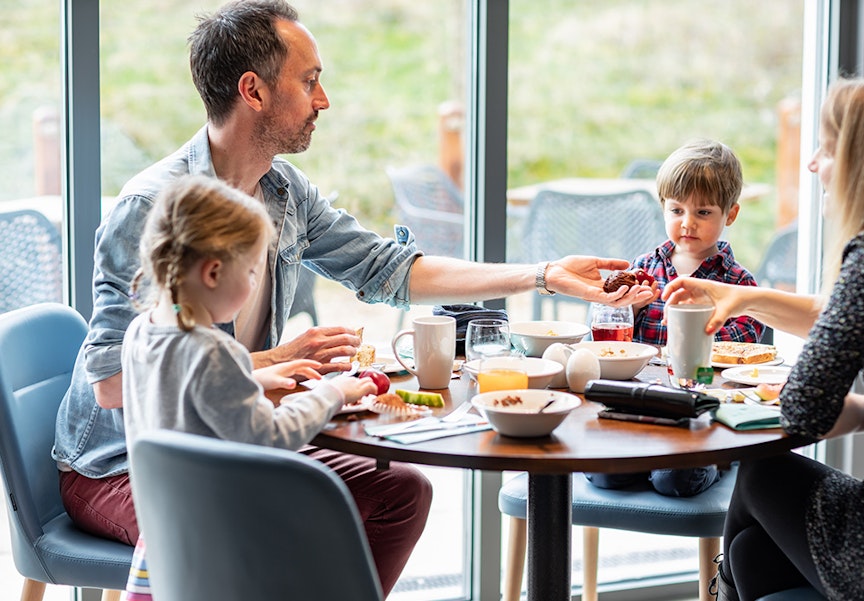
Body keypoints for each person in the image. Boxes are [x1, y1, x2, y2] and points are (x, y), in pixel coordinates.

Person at [50, 0, 654, 594]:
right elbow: (112, 384)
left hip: (230, 439)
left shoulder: (283, 191)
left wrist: (544, 274)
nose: (324, 100)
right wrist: (271, 362)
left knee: (400, 492)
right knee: (295, 528)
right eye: (309, 80)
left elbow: (385, 267)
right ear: (253, 90)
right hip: (120, 468)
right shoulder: (156, 209)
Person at [664, 72, 864, 600]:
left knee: (761, 472)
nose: (813, 162)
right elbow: (845, 317)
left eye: (829, 147)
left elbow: (802, 412)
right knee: (752, 553)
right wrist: (746, 298)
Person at [122, 174, 377, 599]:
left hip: (169, 542)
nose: (256, 283)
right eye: (254, 271)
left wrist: (250, 380)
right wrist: (333, 394)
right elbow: (269, 437)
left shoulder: (142, 331)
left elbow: (173, 393)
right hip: (228, 549)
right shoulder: (215, 352)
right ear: (214, 271)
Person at [586, 138, 765, 498]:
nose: (687, 223)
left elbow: (741, 351)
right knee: (605, 476)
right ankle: (644, 461)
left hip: (697, 417)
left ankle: (712, 462)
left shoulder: (738, 284)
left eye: (703, 213)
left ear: (729, 214)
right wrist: (628, 307)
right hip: (638, 408)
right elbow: (604, 339)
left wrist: (700, 322)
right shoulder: (643, 269)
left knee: (674, 481)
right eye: (676, 210)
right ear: (663, 209)